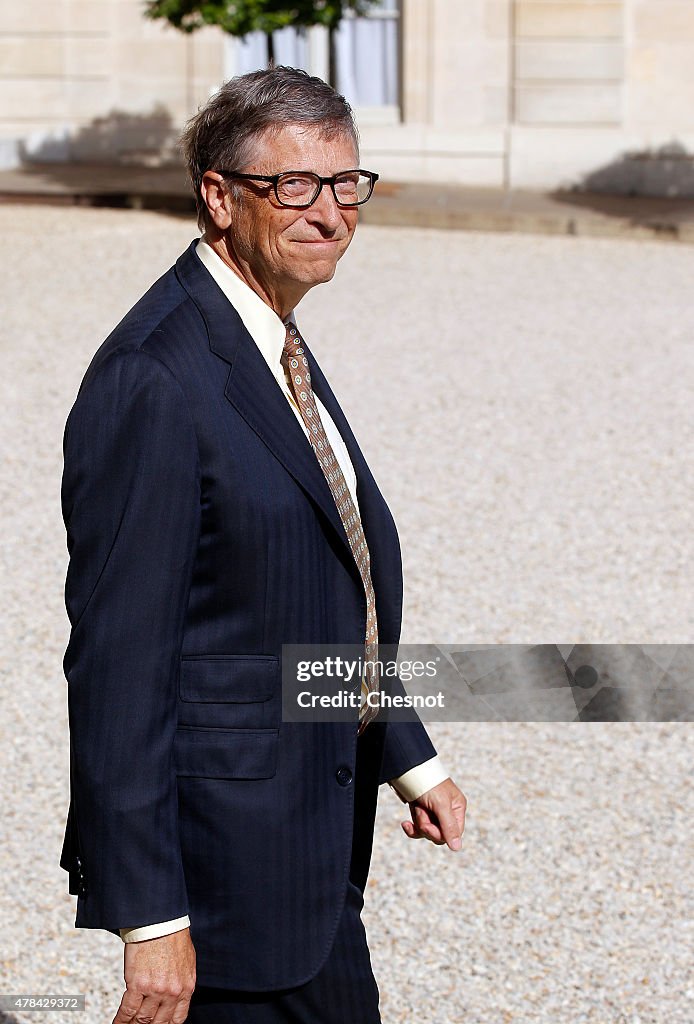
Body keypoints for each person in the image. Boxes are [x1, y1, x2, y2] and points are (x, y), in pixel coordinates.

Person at [59, 66, 467, 1024]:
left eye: (346, 185)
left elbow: (307, 585)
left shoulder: (267, 333)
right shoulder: (153, 379)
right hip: (222, 891)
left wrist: (405, 748)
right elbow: (119, 667)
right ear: (217, 195)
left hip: (310, 862)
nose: (329, 214)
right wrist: (151, 915)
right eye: (294, 186)